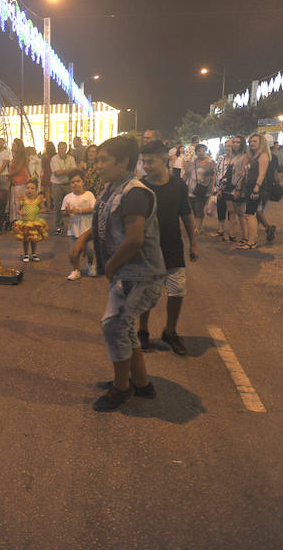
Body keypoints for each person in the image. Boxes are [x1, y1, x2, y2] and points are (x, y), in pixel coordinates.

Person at [70, 136, 165, 412]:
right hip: (125, 272)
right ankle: (142, 383)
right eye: (96, 159)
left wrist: (109, 267)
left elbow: (134, 240)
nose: (96, 165)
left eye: (103, 160)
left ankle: (122, 388)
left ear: (123, 162)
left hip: (140, 275)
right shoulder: (112, 187)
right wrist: (82, 239)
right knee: (123, 327)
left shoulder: (134, 193)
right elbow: (103, 222)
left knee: (114, 325)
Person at [136, 140, 198, 356]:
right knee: (145, 294)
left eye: (150, 161)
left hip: (173, 248)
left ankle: (170, 332)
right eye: (144, 162)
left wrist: (194, 243)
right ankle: (142, 331)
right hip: (147, 250)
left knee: (176, 292)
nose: (146, 166)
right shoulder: (140, 187)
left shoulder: (178, 186)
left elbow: (186, 215)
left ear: (165, 160)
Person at [240, 133, 275, 248]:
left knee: (250, 215)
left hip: (256, 187)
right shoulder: (253, 156)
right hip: (250, 186)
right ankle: (251, 240)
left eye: (255, 141)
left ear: (261, 143)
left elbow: (262, 174)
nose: (252, 144)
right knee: (249, 214)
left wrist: (256, 189)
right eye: (250, 142)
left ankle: (252, 242)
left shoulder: (263, 155)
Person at [62, 173, 96, 279]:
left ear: (83, 182)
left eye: (78, 181)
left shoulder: (89, 195)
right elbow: (63, 212)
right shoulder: (68, 197)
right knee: (74, 251)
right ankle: (76, 270)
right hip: (73, 229)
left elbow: (94, 209)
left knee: (90, 250)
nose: (75, 184)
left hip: (88, 229)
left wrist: (80, 211)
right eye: (73, 182)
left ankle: (90, 265)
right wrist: (66, 212)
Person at [218, 135, 248, 244]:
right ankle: (232, 234)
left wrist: (239, 189)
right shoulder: (234, 157)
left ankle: (245, 237)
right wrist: (221, 187)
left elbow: (244, 174)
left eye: (238, 142)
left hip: (237, 187)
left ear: (242, 144)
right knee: (231, 212)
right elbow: (229, 173)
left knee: (240, 213)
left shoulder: (245, 156)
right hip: (229, 187)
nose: (235, 144)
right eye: (234, 142)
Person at [11, 178, 48, 262]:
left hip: (34, 222)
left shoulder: (39, 199)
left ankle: (34, 254)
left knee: (34, 239)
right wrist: (20, 213)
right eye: (27, 188)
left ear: (36, 190)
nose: (29, 190)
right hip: (25, 223)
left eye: (32, 188)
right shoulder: (22, 199)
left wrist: (38, 210)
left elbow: (43, 209)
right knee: (26, 239)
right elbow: (18, 209)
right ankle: (26, 254)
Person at [185, 143, 215, 235]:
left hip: (203, 187)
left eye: (203, 150)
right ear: (196, 152)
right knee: (193, 206)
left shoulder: (210, 162)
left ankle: (198, 227)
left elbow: (214, 175)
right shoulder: (193, 162)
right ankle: (198, 224)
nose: (201, 152)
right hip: (191, 187)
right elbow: (187, 173)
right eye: (199, 151)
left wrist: (213, 186)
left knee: (199, 207)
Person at [50, 141, 77, 234]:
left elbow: (74, 171)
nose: (62, 150)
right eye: (60, 148)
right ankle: (59, 226)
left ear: (66, 149)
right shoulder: (54, 159)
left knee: (71, 205)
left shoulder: (71, 158)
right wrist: (69, 171)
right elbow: (57, 173)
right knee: (58, 206)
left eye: (63, 148)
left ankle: (72, 226)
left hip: (68, 184)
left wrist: (63, 171)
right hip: (57, 184)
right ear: (58, 149)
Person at [8, 138, 30, 220]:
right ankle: (14, 218)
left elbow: (18, 169)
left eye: (14, 145)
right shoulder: (15, 156)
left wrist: (9, 175)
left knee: (18, 201)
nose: (12, 146)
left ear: (18, 147)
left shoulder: (21, 157)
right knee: (13, 201)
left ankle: (19, 219)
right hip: (15, 181)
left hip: (20, 181)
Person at [40, 141, 54, 209]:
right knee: (53, 191)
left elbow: (42, 166)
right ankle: (54, 205)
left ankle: (48, 207)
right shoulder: (55, 155)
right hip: (53, 174)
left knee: (47, 192)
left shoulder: (44, 155)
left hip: (46, 174)